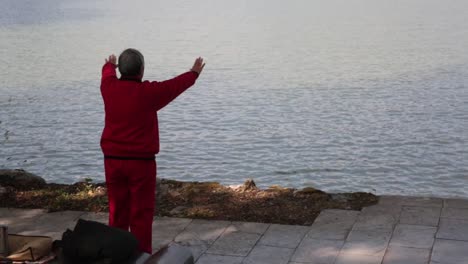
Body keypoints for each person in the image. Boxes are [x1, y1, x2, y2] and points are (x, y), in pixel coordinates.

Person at [100, 48, 205, 254]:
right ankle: (140, 255)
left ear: (122, 70)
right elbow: (174, 86)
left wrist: (109, 66)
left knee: (117, 210)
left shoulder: (109, 87)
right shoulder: (149, 93)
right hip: (141, 163)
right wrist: (193, 73)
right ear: (142, 71)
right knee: (141, 212)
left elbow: (107, 75)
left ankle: (117, 254)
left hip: (112, 160)